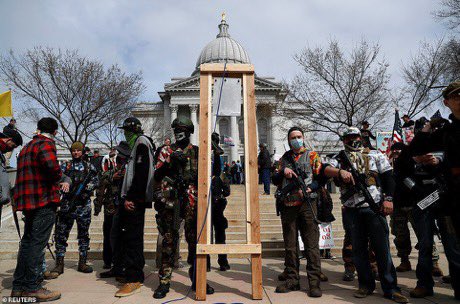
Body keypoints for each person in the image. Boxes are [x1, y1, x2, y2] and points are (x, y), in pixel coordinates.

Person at [271, 126, 352, 297]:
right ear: (288, 140)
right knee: (290, 246)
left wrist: (310, 187)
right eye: (293, 137)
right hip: (288, 206)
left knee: (311, 246)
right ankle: (292, 279)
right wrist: (282, 172)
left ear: (303, 137)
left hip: (308, 205)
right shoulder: (283, 159)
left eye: (299, 136)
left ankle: (314, 282)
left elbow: (322, 175)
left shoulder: (312, 156)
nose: (296, 140)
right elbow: (274, 179)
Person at [331, 126, 408, 303]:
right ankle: (365, 285)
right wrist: (339, 171)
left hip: (374, 208)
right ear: (344, 140)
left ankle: (391, 288)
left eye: (355, 136)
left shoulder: (376, 154)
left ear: (361, 137)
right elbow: (324, 169)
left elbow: (389, 178)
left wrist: (388, 199)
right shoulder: (339, 158)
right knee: (358, 250)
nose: (353, 140)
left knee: (382, 249)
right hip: (351, 210)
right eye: (349, 137)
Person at [408, 81, 460, 300]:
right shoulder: (440, 134)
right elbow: (407, 164)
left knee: (454, 245)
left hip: (448, 195)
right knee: (431, 244)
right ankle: (425, 283)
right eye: (456, 96)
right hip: (431, 197)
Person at [153, 117, 214, 299]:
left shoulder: (196, 152)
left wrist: (214, 151)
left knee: (195, 243)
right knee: (169, 242)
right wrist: (170, 161)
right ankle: (164, 282)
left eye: (183, 129)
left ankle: (197, 279)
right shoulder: (165, 151)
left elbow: (209, 175)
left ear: (189, 131)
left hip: (191, 203)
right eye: (176, 129)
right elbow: (156, 175)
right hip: (170, 202)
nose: (179, 133)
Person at [11, 117, 65, 301]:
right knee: (36, 244)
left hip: (28, 202)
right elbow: (52, 168)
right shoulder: (46, 144)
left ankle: (19, 286)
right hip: (43, 200)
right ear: (55, 132)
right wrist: (61, 177)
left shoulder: (26, 147)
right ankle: (32, 288)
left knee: (27, 243)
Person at [115, 117, 155, 297]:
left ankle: (134, 279)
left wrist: (132, 197)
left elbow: (141, 173)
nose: (125, 133)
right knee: (130, 237)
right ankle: (134, 273)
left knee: (132, 239)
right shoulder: (137, 145)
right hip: (132, 199)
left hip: (134, 200)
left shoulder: (141, 143)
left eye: (126, 130)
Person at [46, 141, 99, 279]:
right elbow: (56, 178)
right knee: (61, 234)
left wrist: (87, 189)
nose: (75, 153)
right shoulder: (66, 165)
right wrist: (62, 185)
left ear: (82, 152)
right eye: (73, 150)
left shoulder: (89, 166)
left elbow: (96, 180)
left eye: (78, 150)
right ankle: (59, 263)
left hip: (83, 205)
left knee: (83, 234)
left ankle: (82, 262)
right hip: (67, 204)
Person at [390, 142, 443, 276]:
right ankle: (404, 260)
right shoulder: (388, 164)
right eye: (394, 151)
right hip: (398, 205)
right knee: (400, 235)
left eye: (398, 151)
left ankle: (434, 262)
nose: (396, 153)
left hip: (416, 204)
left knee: (424, 234)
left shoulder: (412, 164)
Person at [98, 141, 131, 279]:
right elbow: (102, 180)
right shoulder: (111, 172)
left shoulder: (130, 172)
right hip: (110, 209)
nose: (119, 165)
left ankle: (123, 266)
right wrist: (113, 177)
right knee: (109, 236)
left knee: (123, 239)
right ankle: (111, 263)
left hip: (124, 210)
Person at [210, 132, 231, 271]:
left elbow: (227, 191)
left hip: (216, 204)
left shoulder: (218, 173)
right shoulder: (218, 173)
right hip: (210, 204)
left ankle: (222, 261)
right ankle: (219, 261)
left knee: (219, 234)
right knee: (217, 235)